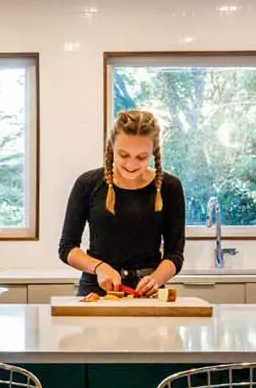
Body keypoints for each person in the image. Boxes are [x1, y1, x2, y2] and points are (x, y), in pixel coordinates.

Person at [57, 108, 186, 296]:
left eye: (141, 157)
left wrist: (156, 279)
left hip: (147, 293)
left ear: (153, 152)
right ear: (111, 147)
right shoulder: (88, 183)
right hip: (96, 290)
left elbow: (175, 255)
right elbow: (67, 247)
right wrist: (99, 267)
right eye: (123, 155)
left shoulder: (170, 187)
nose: (131, 164)